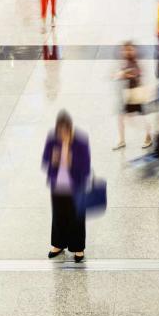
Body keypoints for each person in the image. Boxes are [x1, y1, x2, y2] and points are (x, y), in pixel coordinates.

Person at [41, 111, 91, 263]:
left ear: (70, 128)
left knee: (77, 217)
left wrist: (71, 161)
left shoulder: (81, 140)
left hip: (76, 187)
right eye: (59, 131)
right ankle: (58, 244)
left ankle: (78, 247)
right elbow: (44, 160)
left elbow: (86, 167)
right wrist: (53, 160)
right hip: (58, 185)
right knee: (58, 215)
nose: (62, 134)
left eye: (65, 131)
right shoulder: (52, 138)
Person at [114, 41, 150, 150]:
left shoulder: (135, 62)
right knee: (121, 117)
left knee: (137, 118)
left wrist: (125, 74)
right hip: (128, 94)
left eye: (129, 50)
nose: (126, 52)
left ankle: (149, 136)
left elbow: (136, 74)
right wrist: (121, 74)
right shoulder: (126, 62)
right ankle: (122, 140)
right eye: (125, 50)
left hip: (136, 94)